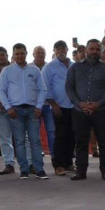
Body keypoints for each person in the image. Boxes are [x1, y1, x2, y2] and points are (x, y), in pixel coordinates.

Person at [65, 39, 105, 180]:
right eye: (92, 49)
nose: (94, 52)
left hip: (101, 110)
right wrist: (79, 103)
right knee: (81, 142)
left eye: (97, 49)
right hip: (79, 111)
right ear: (86, 50)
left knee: (104, 141)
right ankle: (81, 171)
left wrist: (98, 104)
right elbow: (69, 88)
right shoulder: (74, 68)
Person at [0, 44, 49, 179]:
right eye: (17, 54)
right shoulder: (7, 71)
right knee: (19, 141)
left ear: (26, 54)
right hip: (15, 111)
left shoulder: (35, 70)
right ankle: (24, 170)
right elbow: (1, 91)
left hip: (33, 110)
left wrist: (39, 106)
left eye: (22, 53)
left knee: (35, 141)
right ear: (13, 55)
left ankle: (39, 169)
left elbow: (42, 89)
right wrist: (8, 107)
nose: (20, 56)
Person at [42, 40, 75, 176]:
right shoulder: (49, 67)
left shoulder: (74, 65)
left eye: (63, 48)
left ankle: (69, 163)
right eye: (58, 49)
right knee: (60, 137)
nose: (61, 51)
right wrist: (53, 104)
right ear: (54, 51)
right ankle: (58, 165)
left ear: (67, 50)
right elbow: (45, 88)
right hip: (58, 107)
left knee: (72, 136)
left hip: (74, 107)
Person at [0, 47, 16, 173]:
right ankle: (9, 163)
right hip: (0, 109)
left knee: (23, 137)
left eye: (2, 55)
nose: (0, 57)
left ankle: (29, 163)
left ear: (7, 55)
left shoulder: (15, 70)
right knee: (4, 138)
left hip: (16, 108)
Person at [31, 45, 56, 158]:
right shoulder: (29, 67)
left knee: (51, 130)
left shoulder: (50, 67)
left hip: (48, 105)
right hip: (35, 105)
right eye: (38, 53)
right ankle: (37, 153)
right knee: (35, 132)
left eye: (42, 53)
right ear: (33, 55)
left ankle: (54, 153)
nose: (40, 55)